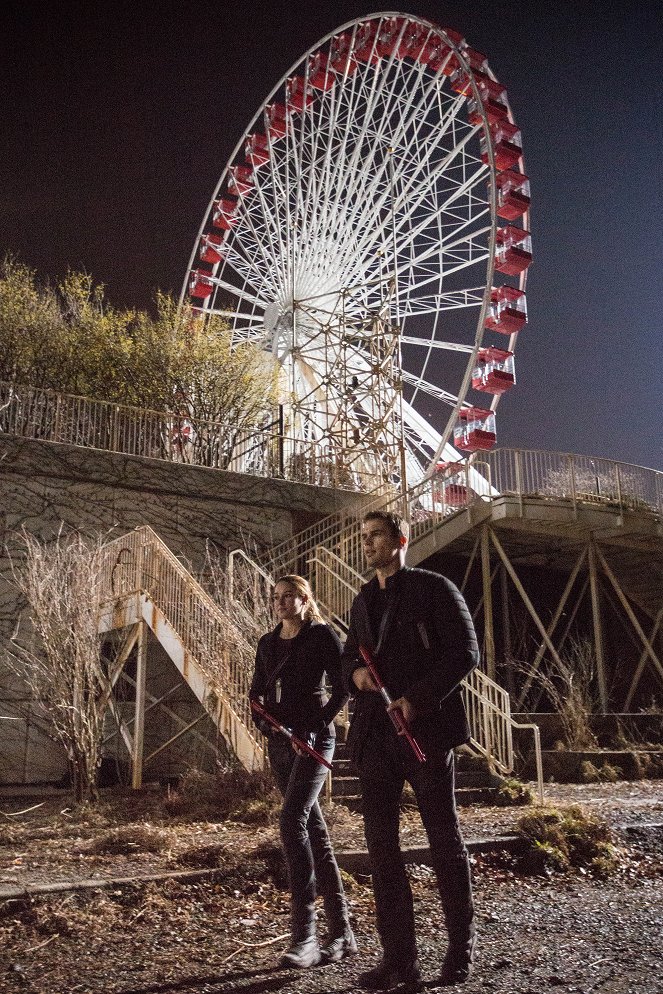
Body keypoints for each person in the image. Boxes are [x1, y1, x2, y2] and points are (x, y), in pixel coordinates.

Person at [342, 510, 480, 991]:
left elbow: (465, 652)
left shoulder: (435, 588)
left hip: (426, 735)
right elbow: (349, 655)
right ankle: (399, 959)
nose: (368, 544)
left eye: (377, 535)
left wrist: (416, 701)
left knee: (445, 843)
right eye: (364, 538)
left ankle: (459, 951)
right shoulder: (362, 600)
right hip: (376, 740)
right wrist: (354, 677)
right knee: (382, 850)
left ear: (401, 540)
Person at [249, 574, 357, 969]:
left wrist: (314, 728)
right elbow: (255, 693)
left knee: (291, 819)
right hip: (281, 743)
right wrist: (269, 726)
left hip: (315, 740)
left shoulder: (322, 636)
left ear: (305, 599)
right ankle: (343, 932)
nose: (280, 602)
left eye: (289, 596)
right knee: (315, 833)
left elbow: (344, 687)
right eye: (276, 597)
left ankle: (305, 936)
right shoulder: (267, 642)